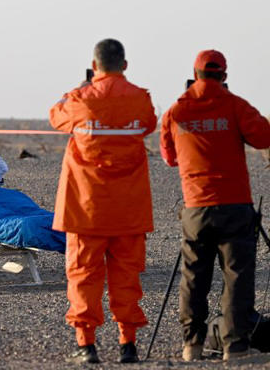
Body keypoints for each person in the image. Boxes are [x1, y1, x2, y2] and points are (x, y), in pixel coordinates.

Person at [50, 39, 157, 364]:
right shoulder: (140, 99)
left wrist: (78, 89)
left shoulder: (80, 99)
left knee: (83, 277)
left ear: (94, 67)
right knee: (127, 278)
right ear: (124, 65)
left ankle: (87, 345)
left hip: (86, 210)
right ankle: (128, 344)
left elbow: (56, 117)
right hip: (128, 211)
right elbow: (149, 124)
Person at [160, 49, 270, 362]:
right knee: (237, 276)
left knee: (194, 276)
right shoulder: (234, 105)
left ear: (195, 75)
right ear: (223, 75)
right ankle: (235, 346)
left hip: (196, 207)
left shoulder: (176, 111)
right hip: (234, 204)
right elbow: (263, 137)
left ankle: (191, 345)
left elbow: (169, 158)